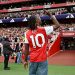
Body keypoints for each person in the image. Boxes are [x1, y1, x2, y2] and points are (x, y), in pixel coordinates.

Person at [24, 10, 60, 75]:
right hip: (42, 59)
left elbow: (26, 49)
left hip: (33, 60)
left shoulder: (26, 33)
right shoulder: (44, 30)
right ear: (36, 22)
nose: (40, 18)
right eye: (39, 18)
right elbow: (57, 25)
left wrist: (25, 60)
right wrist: (50, 15)